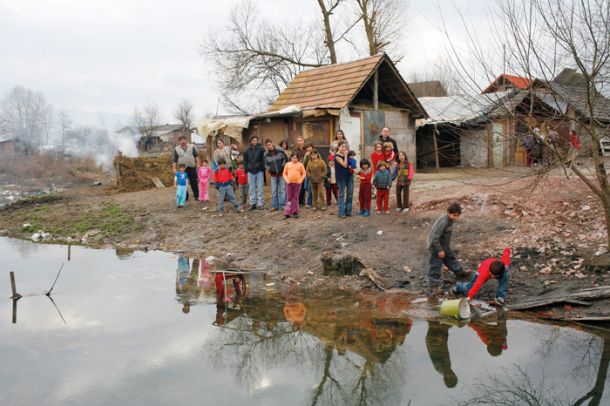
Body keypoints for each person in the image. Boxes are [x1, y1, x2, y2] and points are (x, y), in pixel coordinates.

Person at [427, 203, 468, 296]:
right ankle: (433, 286)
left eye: (458, 215)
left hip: (444, 245)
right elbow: (434, 238)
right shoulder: (444, 222)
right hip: (436, 246)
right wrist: (439, 250)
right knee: (435, 265)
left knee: (450, 258)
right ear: (448, 213)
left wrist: (444, 248)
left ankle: (460, 272)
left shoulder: (450, 220)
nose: (456, 218)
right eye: (454, 215)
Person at [425, 321, 458, 388]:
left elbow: (433, 353)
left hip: (434, 339)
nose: (452, 374)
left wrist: (437, 339)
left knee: (448, 321)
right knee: (450, 322)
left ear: (445, 378)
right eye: (453, 376)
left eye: (450, 377)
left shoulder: (441, 368)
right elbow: (444, 348)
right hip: (439, 337)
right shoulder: (447, 366)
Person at [172, 135, 200, 201]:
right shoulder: (177, 149)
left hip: (191, 166)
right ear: (179, 142)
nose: (183, 141)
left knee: (194, 182)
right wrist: (174, 168)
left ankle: (197, 196)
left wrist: (198, 163)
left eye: (184, 140)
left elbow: (196, 156)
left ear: (186, 141)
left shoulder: (191, 146)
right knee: (183, 182)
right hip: (183, 168)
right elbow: (174, 160)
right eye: (181, 140)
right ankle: (185, 196)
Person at [263, 139, 288, 211]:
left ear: (272, 143)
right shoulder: (266, 154)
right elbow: (265, 164)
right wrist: (270, 169)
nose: (269, 146)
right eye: (267, 145)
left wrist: (282, 167)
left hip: (281, 174)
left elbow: (285, 159)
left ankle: (283, 205)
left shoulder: (280, 150)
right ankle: (275, 206)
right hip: (273, 175)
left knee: (282, 190)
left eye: (269, 144)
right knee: (274, 191)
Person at [242, 135, 266, 210]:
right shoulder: (247, 150)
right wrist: (247, 169)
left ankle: (260, 204)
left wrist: (261, 167)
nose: (254, 142)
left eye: (255, 140)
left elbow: (264, 159)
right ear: (250, 141)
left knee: (260, 188)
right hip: (250, 171)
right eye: (253, 141)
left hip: (259, 171)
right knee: (251, 188)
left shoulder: (261, 149)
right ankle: (252, 204)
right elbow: (245, 161)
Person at [282, 153, 306, 219]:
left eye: (296, 158)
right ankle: (287, 213)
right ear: (291, 158)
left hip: (297, 184)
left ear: (298, 158)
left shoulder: (300, 165)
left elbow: (304, 173)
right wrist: (287, 180)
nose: (294, 159)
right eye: (293, 158)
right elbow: (284, 173)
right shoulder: (288, 164)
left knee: (295, 197)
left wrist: (300, 180)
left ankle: (295, 212)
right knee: (289, 198)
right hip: (289, 184)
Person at [334, 141, 354, 218]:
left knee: (350, 193)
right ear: (338, 147)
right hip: (341, 177)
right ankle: (341, 212)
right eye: (342, 146)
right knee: (341, 194)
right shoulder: (337, 156)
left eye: (345, 147)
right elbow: (345, 165)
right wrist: (346, 155)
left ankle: (348, 211)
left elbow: (350, 164)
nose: (344, 148)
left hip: (349, 176)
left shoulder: (346, 154)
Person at [302, 143, 315, 208]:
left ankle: (309, 203)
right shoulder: (306, 155)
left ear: (312, 148)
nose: (309, 148)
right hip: (306, 173)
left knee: (310, 188)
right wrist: (306, 156)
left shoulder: (315, 153)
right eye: (308, 147)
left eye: (310, 147)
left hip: (313, 174)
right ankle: (312, 200)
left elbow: (320, 161)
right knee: (306, 187)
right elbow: (303, 164)